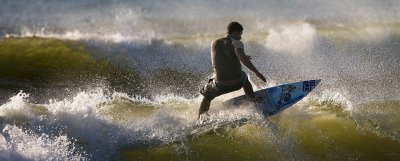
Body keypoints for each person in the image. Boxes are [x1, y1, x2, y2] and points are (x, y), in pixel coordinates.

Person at [198, 21, 266, 119]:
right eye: (240, 34)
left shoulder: (214, 43)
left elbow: (222, 58)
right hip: (238, 82)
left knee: (207, 97)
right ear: (234, 33)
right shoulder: (237, 43)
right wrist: (256, 72)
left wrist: (241, 55)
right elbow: (240, 54)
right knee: (244, 76)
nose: (241, 37)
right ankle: (252, 99)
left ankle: (201, 119)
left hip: (220, 85)